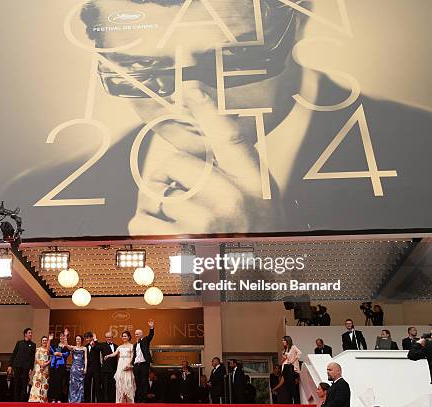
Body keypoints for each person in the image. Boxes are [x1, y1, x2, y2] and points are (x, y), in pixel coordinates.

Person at [58, 0, 432, 240]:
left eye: (232, 61)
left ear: (299, 21)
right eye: (140, 68)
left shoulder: (423, 151)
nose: (187, 100)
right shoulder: (33, 193)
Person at [104, 330, 135, 403]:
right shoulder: (120, 346)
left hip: (127, 364)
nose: (124, 337)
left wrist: (129, 364)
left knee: (128, 382)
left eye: (125, 336)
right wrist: (108, 355)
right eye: (123, 336)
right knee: (120, 382)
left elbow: (132, 356)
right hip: (120, 365)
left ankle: (129, 400)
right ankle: (121, 401)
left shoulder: (132, 346)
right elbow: (114, 354)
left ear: (129, 337)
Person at [7, 327, 36, 402]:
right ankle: (15, 402)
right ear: (25, 334)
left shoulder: (33, 345)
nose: (31, 334)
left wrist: (31, 368)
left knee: (24, 385)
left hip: (26, 368)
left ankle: (22, 402)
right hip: (17, 366)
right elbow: (14, 354)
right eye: (29, 333)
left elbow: (32, 358)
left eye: (31, 333)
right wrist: (10, 365)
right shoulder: (19, 343)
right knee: (16, 384)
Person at [131, 319, 154, 402]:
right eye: (135, 334)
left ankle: (144, 400)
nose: (136, 335)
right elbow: (135, 356)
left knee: (144, 381)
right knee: (138, 382)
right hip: (136, 365)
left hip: (144, 364)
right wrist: (132, 364)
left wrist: (151, 327)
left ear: (141, 334)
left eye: (138, 334)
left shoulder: (145, 340)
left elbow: (151, 335)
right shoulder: (134, 345)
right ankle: (139, 400)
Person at [48, 331, 70, 402]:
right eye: (61, 336)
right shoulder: (55, 345)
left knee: (60, 383)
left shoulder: (66, 346)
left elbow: (67, 353)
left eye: (63, 336)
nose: (62, 337)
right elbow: (48, 349)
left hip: (61, 366)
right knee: (53, 382)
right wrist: (50, 339)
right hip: (53, 366)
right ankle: (53, 398)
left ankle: (59, 399)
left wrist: (60, 354)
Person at [29, 335, 51, 402]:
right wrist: (41, 364)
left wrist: (45, 364)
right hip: (38, 369)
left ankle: (43, 399)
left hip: (45, 369)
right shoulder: (38, 349)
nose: (44, 341)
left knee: (45, 384)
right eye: (43, 340)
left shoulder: (48, 351)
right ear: (41, 342)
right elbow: (36, 358)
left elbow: (51, 359)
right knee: (37, 383)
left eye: (46, 340)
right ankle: (35, 399)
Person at [83, 331, 102, 403]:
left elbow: (99, 348)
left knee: (97, 385)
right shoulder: (85, 347)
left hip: (96, 368)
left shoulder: (97, 344)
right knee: (87, 384)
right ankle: (87, 401)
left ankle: (98, 402)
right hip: (88, 368)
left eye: (89, 337)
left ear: (91, 338)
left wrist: (95, 342)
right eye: (86, 338)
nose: (87, 339)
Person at [68, 334, 88, 402]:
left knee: (80, 384)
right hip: (74, 368)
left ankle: (79, 401)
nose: (78, 340)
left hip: (81, 367)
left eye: (79, 339)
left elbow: (85, 359)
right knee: (73, 384)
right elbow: (66, 345)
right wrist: (65, 336)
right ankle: (72, 400)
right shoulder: (73, 348)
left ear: (81, 340)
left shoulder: (84, 348)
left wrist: (85, 368)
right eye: (76, 339)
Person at [100, 331, 118, 402]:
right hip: (105, 370)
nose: (108, 338)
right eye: (107, 337)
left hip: (114, 370)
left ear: (112, 337)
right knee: (105, 387)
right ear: (105, 338)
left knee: (113, 386)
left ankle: (112, 401)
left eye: (110, 337)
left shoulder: (116, 346)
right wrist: (94, 340)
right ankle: (105, 402)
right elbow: (96, 347)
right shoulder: (102, 345)